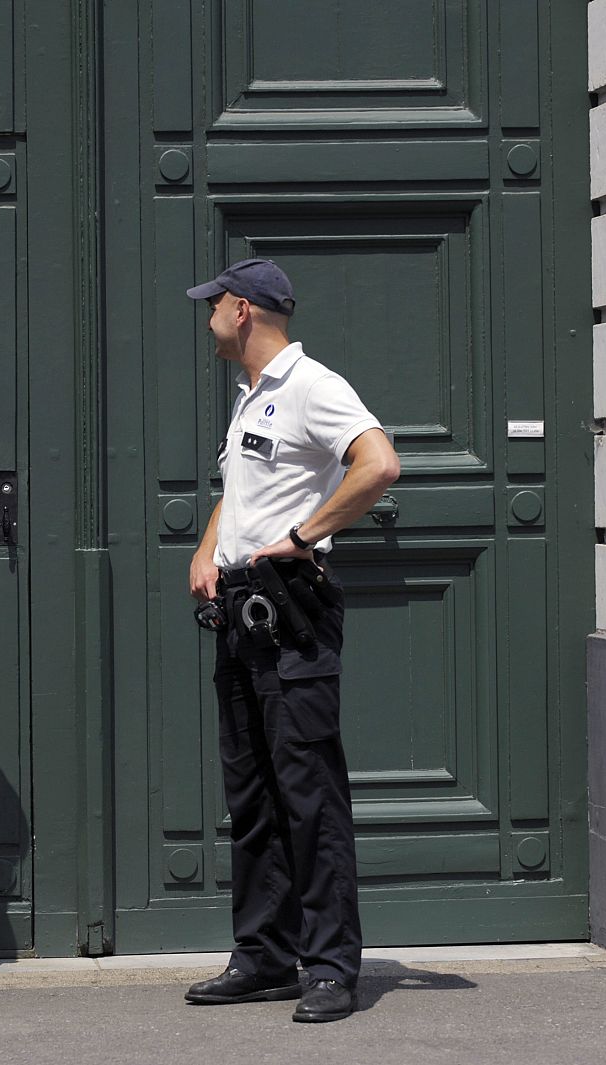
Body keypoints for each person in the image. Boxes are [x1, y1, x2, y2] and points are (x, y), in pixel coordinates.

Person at [182, 259, 401, 1023]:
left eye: (213, 306)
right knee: (253, 796)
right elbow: (238, 495)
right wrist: (209, 547)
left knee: (309, 796)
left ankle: (332, 965)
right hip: (240, 610)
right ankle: (265, 956)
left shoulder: (313, 386)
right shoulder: (250, 400)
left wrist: (304, 534)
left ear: (243, 311)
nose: (206, 318)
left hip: (291, 611)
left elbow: (379, 464)